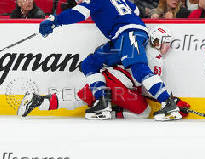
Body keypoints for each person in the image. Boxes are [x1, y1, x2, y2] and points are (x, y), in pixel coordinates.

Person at [18, 0, 183, 121]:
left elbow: (78, 14)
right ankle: (102, 102)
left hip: (129, 34)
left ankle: (168, 103)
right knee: (90, 63)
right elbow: (135, 10)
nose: (78, 1)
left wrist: (55, 20)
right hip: (121, 38)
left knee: (138, 68)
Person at [17, 26, 191, 119]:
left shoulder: (140, 47)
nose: (168, 47)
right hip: (115, 83)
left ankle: (39, 101)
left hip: (112, 80)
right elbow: (149, 88)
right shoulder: (155, 57)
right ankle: (39, 101)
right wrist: (172, 101)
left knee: (81, 98)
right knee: (143, 112)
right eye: (166, 42)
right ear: (156, 41)